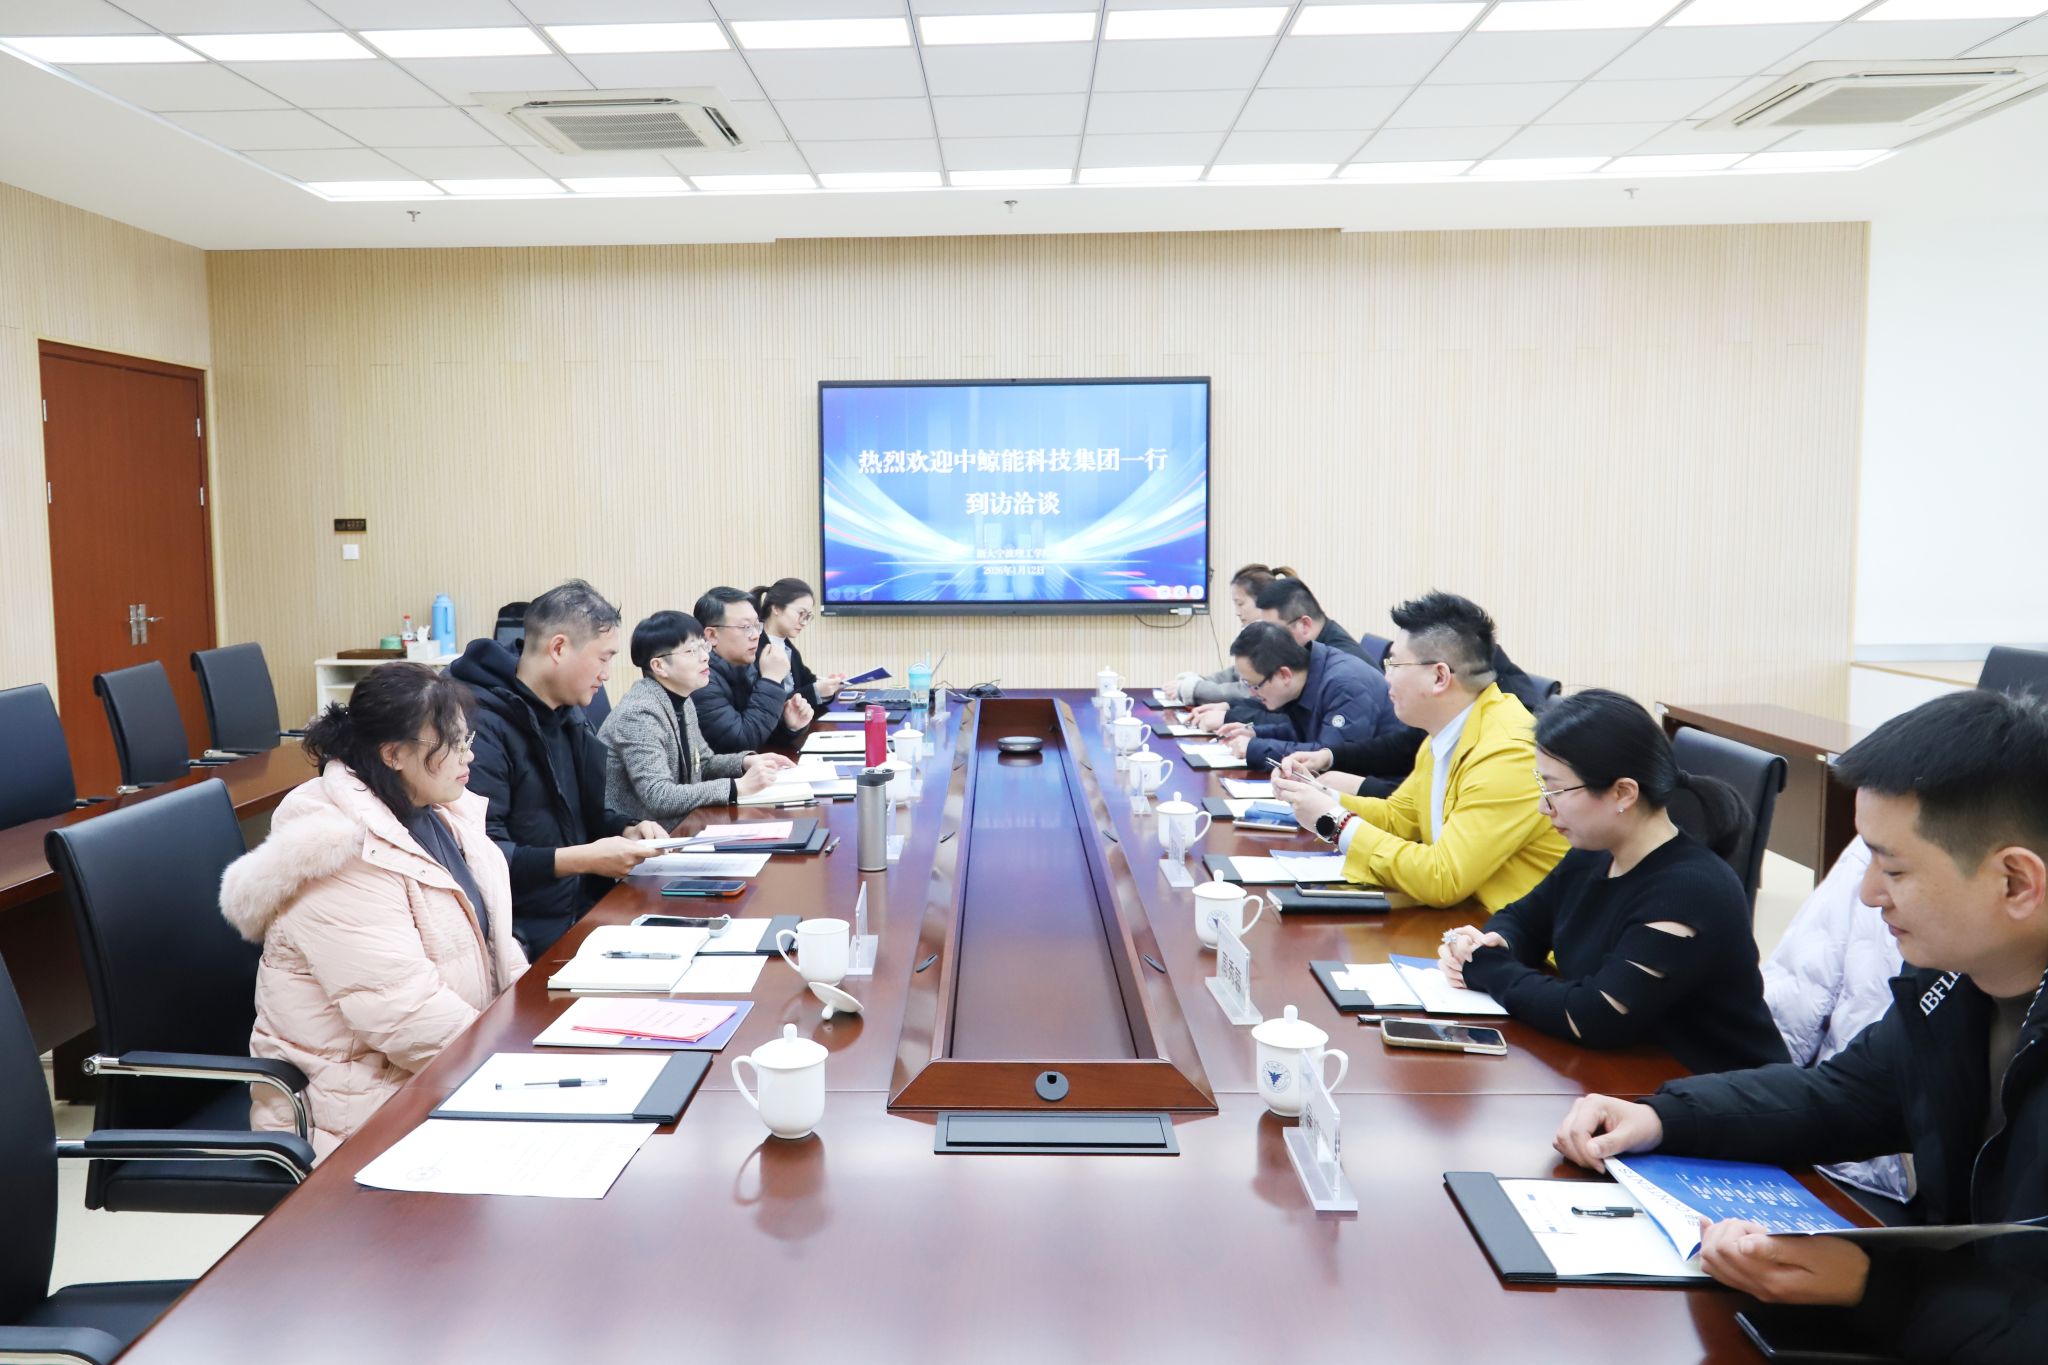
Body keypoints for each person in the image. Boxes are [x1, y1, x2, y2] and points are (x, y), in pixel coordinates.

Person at [1553, 690, 2048, 1361]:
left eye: (1894, 868)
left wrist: (1873, 1286)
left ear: (2016, 882)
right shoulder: (1957, 981)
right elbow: (1845, 1094)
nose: (1868, 895)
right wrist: (1663, 1116)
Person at [219, 663, 525, 1160]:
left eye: (467, 740)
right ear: (393, 754)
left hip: (437, 1075)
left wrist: (533, 1028)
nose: (469, 756)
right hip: (360, 1116)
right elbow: (404, 1013)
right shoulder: (333, 850)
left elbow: (495, 942)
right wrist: (516, 1066)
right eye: (452, 744)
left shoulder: (440, 811)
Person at [1437, 689, 1787, 1075]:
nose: (1543, 806)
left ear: (1623, 793)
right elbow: (1524, 919)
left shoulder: (1689, 891)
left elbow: (1595, 1015)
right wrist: (1494, 943)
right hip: (1628, 1077)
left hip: (1715, 1091)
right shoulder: (1595, 854)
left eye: (1555, 790)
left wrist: (1488, 968)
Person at [1273, 591, 1567, 909]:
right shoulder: (1444, 731)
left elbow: (1443, 878)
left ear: (1439, 676)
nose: (1386, 678)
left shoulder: (1508, 754)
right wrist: (1317, 795)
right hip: (1465, 921)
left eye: (1394, 664)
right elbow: (1399, 818)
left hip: (1505, 931)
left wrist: (1336, 822)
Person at [449, 581, 668, 957]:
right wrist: (585, 859)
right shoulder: (480, 725)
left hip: (584, 912)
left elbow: (577, 816)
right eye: (603, 658)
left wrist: (625, 828)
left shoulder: (568, 711)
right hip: (524, 936)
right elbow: (482, 855)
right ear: (559, 648)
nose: (607, 674)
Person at [1761, 837, 1913, 1205]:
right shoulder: (1871, 844)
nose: (1869, 894)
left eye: (1893, 871)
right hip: (1836, 1144)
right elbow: (1791, 1009)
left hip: (1860, 1170)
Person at [602, 610, 795, 822]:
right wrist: (737, 786)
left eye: (704, 647)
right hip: (643, 833)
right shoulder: (639, 714)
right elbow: (659, 796)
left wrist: (745, 762)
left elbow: (702, 763)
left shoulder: (682, 699)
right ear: (659, 666)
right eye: (692, 651)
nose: (705, 657)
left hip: (682, 824)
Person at [1213, 621, 1404, 771]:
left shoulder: (1346, 686)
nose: (1252, 693)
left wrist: (1255, 748)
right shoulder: (1310, 674)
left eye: (1255, 685)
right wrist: (1256, 733)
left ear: (1284, 675)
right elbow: (1306, 732)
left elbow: (1329, 758)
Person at [693, 585, 813, 753]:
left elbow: (761, 732)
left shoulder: (746, 666)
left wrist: (789, 725)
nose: (756, 635)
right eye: (746, 627)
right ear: (712, 635)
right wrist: (771, 681)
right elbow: (740, 743)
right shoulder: (700, 679)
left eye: (757, 625)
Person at [1166, 562, 1294, 714]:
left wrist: (1194, 689)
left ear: (1263, 600)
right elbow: (1236, 673)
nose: (1237, 612)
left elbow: (1245, 691)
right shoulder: (1260, 633)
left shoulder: (1275, 638)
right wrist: (1199, 681)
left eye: (1240, 604)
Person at [753, 577, 843, 712]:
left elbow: (808, 682)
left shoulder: (788, 648)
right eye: (801, 613)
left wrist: (826, 687)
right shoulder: (752, 647)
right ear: (776, 607)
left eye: (808, 617)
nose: (804, 622)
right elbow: (767, 703)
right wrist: (816, 690)